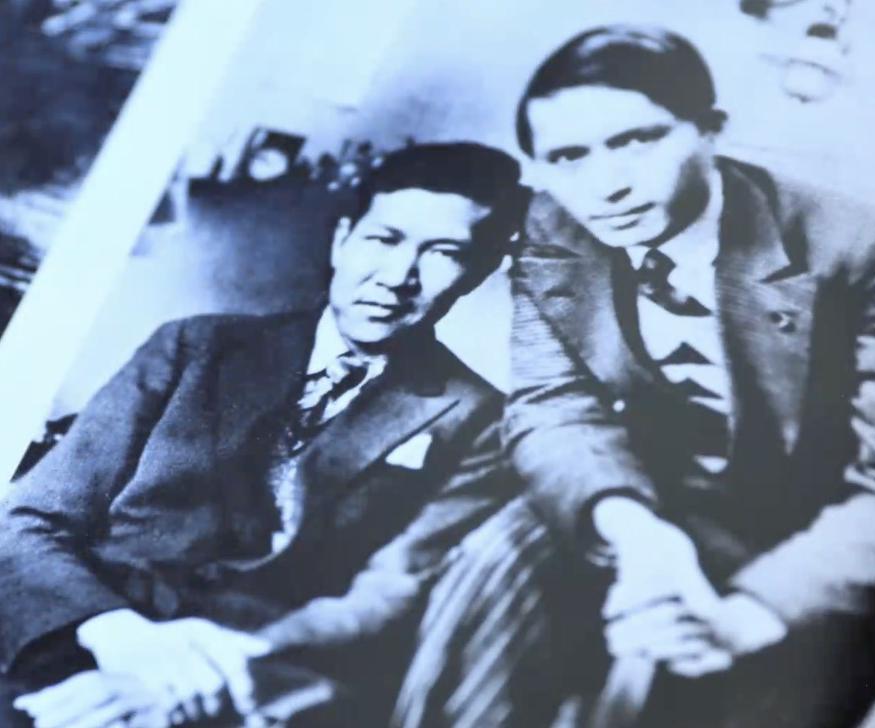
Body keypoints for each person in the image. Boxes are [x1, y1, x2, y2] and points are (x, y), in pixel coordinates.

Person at [394, 26, 875, 728]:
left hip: (804, 537)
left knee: (699, 687)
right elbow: (552, 404)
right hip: (640, 497)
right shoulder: (554, 222)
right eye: (567, 157)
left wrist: (746, 614)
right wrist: (635, 532)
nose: (606, 186)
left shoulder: (859, 247)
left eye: (636, 141)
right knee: (487, 559)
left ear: (710, 131)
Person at [0, 142, 526, 727]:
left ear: (479, 272)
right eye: (384, 239)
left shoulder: (482, 418)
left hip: (261, 678)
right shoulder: (195, 346)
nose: (398, 277)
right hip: (82, 635)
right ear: (343, 240)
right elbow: (30, 520)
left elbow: (391, 594)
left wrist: (222, 672)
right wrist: (118, 636)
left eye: (444, 253)